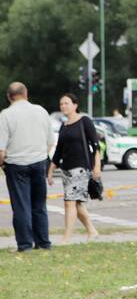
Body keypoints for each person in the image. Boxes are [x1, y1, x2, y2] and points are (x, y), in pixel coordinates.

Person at [0, 82, 54, 251]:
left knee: (21, 205)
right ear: (26, 93)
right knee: (39, 205)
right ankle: (43, 242)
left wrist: (2, 163)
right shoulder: (41, 111)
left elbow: (1, 149)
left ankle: (25, 244)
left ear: (9, 97)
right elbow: (50, 142)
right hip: (39, 162)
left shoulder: (6, 115)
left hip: (16, 165)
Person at [47, 93, 101, 244]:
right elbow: (59, 152)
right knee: (76, 203)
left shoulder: (84, 121)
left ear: (75, 105)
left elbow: (96, 145)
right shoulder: (64, 126)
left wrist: (97, 166)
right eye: (61, 104)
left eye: (66, 103)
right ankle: (92, 231)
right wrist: (51, 170)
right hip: (67, 170)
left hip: (82, 168)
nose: (63, 106)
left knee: (69, 202)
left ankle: (66, 238)